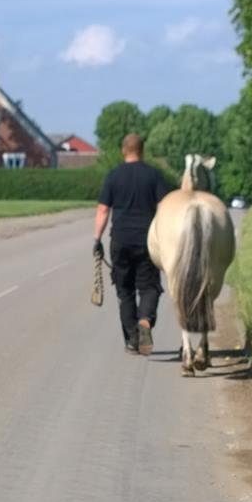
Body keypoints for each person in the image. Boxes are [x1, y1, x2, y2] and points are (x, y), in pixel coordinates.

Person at [93, 133, 169, 355]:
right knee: (149, 286)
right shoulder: (153, 175)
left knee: (124, 291)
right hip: (148, 241)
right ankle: (145, 319)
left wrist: (97, 239)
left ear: (123, 151)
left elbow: (103, 210)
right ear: (142, 150)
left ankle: (132, 340)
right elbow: (165, 206)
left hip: (120, 240)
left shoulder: (113, 176)